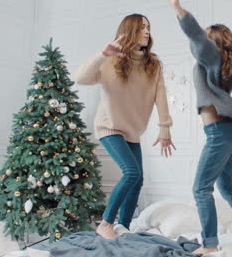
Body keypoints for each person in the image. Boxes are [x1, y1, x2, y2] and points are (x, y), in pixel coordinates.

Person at [166, 0, 232, 254]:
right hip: (231, 132)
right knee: (226, 185)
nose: (202, 42)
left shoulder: (210, 55)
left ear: (213, 44)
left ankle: (210, 245)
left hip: (219, 133)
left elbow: (197, 36)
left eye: (208, 38)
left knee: (201, 188)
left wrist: (179, 9)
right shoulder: (227, 64)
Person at [75, 13, 175, 239]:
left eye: (148, 27)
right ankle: (106, 222)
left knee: (138, 179)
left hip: (132, 130)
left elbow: (161, 95)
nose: (147, 32)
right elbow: (80, 78)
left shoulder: (154, 64)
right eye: (141, 28)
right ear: (129, 31)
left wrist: (165, 127)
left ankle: (124, 228)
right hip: (109, 127)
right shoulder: (111, 60)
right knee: (131, 172)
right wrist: (102, 54)